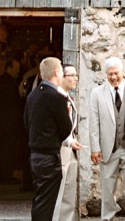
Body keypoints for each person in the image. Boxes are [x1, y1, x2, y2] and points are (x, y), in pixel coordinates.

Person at [89, 57, 125, 221]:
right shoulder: (96, 93)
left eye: (116, 73)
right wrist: (95, 148)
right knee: (107, 187)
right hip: (108, 148)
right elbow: (94, 123)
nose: (114, 77)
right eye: (110, 74)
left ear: (122, 72)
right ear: (105, 74)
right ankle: (107, 218)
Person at [24, 57, 79, 221]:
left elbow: (26, 122)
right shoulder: (56, 97)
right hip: (49, 155)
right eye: (61, 70)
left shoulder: (32, 95)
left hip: (35, 154)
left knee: (40, 198)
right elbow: (66, 128)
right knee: (47, 202)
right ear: (56, 72)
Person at [52, 64, 82, 221]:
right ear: (61, 77)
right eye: (71, 75)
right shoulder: (55, 97)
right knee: (59, 191)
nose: (75, 78)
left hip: (71, 150)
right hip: (60, 150)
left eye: (76, 75)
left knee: (69, 191)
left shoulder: (68, 97)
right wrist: (68, 141)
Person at [0, 56, 23, 184]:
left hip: (4, 120)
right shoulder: (7, 82)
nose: (18, 71)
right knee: (8, 147)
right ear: (9, 68)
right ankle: (6, 174)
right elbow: (10, 102)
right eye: (16, 69)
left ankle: (5, 173)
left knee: (6, 147)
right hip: (8, 121)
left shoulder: (4, 81)